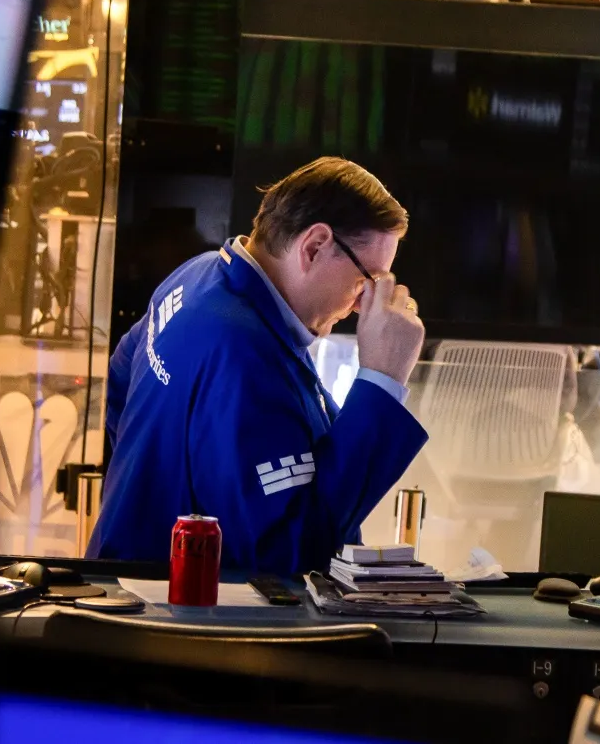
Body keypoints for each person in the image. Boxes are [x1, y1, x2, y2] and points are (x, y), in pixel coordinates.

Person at [88, 157, 428, 572]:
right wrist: (383, 380)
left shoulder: (197, 274)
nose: (361, 305)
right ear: (315, 246)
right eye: (365, 281)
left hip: (128, 575)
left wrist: (157, 484)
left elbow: (122, 379)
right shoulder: (247, 352)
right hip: (185, 616)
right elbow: (295, 554)